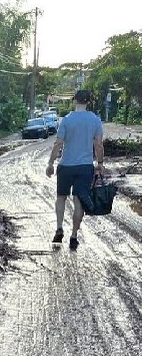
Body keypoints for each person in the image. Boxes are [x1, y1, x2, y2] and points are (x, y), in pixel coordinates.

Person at [45, 89, 104, 250]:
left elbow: (58, 143)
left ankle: (59, 228)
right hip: (85, 167)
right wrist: (100, 163)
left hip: (66, 166)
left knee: (61, 197)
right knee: (79, 201)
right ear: (88, 102)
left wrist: (51, 163)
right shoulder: (95, 120)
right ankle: (73, 236)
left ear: (74, 101)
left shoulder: (67, 120)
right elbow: (98, 144)